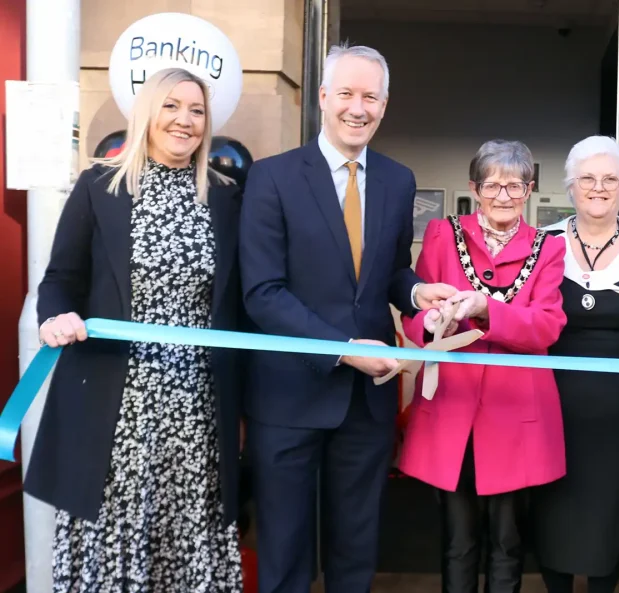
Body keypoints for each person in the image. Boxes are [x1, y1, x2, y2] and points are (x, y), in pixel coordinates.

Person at [239, 43, 455, 593]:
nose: (358, 108)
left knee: (356, 553)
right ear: (322, 99)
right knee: (285, 553)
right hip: (288, 397)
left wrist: (417, 294)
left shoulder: (397, 179)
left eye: (371, 97)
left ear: (384, 105)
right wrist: (342, 347)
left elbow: (388, 274)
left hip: (368, 400)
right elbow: (263, 293)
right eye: (347, 94)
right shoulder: (272, 178)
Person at [25, 67, 245, 591]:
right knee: (116, 543)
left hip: (197, 408)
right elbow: (60, 280)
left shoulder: (226, 197)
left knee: (188, 538)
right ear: (147, 112)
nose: (185, 121)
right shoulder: (99, 186)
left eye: (196, 111)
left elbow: (240, 303)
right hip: (114, 405)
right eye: (171, 106)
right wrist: (55, 316)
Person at [398, 139, 568, 593]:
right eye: (492, 185)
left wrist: (487, 309)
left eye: (514, 186)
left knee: (508, 542)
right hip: (452, 409)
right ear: (474, 187)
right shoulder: (441, 234)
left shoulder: (548, 248)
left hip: (517, 413)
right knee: (457, 540)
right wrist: (429, 323)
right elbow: (415, 315)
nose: (503, 197)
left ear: (529, 190)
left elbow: (547, 326)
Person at [531, 135, 619, 593]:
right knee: (552, 510)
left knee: (612, 511)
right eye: (587, 178)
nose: (598, 188)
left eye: (610, 179)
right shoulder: (541, 246)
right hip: (551, 408)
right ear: (570, 187)